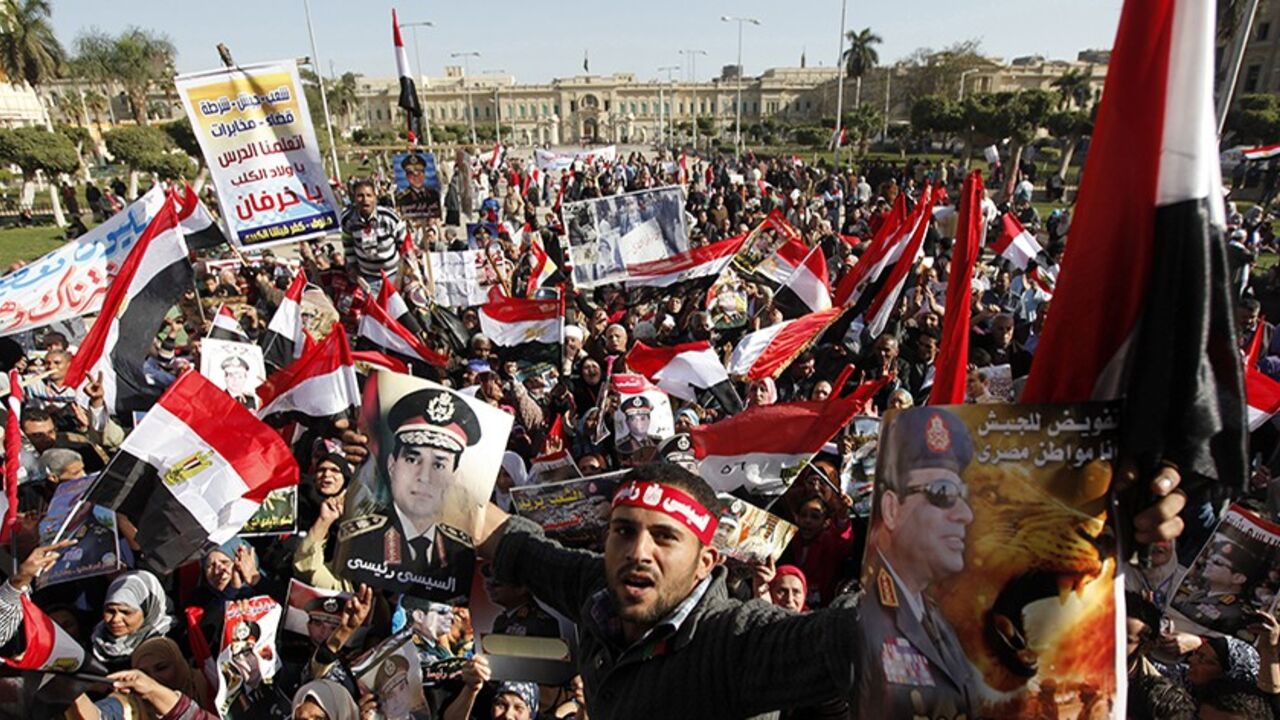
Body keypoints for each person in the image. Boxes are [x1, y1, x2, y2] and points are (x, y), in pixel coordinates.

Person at [850, 408, 979, 719]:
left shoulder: (932, 616)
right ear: (892, 509)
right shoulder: (859, 618)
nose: (965, 514)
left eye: (961, 494)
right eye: (943, 493)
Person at [335, 387, 479, 598]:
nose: (424, 477)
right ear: (392, 465)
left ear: (453, 477)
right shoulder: (361, 539)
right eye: (412, 459)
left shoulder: (462, 552)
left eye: (439, 465)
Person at [91, 570, 177, 671]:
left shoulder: (171, 640)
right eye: (110, 611)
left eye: (126, 612)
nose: (115, 619)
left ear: (148, 611)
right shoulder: (94, 639)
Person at [341, 179, 404, 285]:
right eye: (360, 195)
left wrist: (404, 273)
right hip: (368, 278)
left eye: (369, 195)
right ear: (354, 198)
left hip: (394, 275)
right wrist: (353, 268)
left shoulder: (389, 217)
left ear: (375, 197)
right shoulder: (348, 219)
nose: (365, 200)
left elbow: (404, 245)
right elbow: (348, 245)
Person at [395, 153, 441, 219]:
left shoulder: (434, 194)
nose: (416, 178)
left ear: (424, 174)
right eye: (411, 174)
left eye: (419, 173)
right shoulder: (402, 197)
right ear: (407, 177)